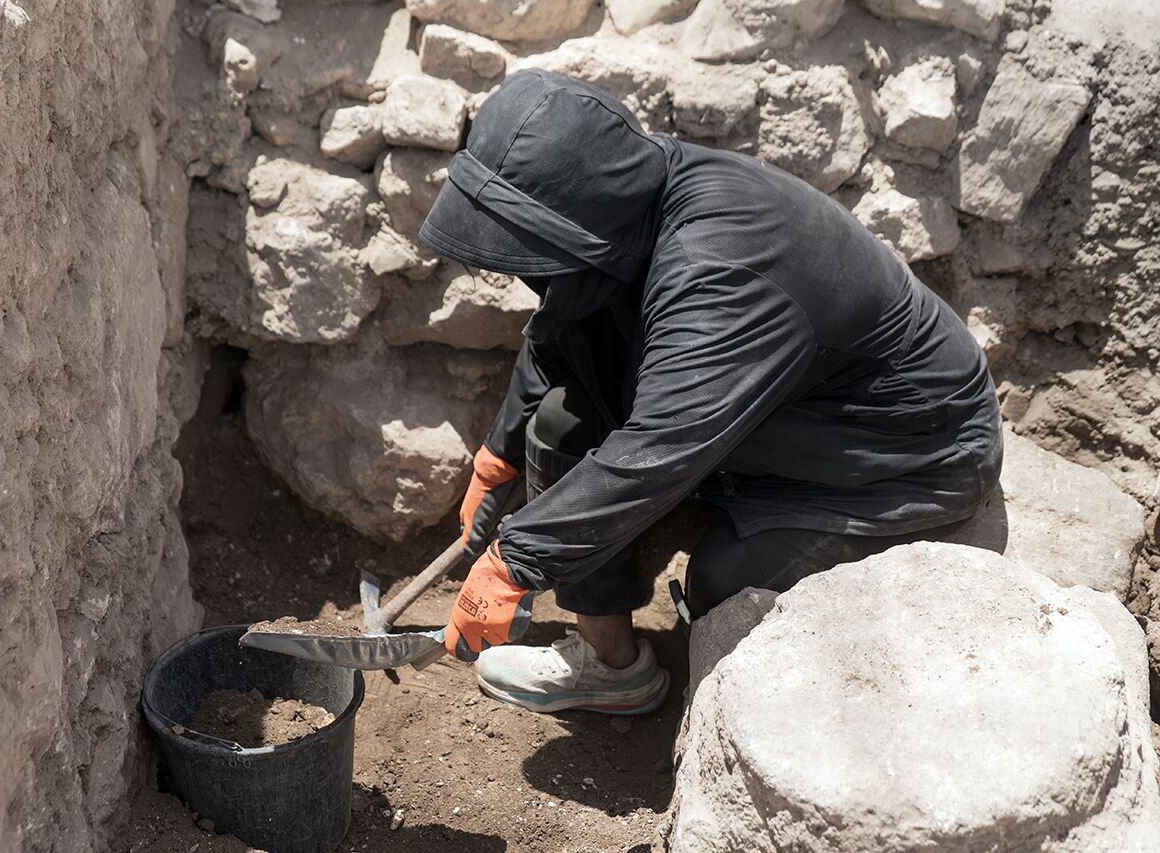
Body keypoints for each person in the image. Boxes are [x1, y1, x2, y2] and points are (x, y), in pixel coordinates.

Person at [418, 69, 1002, 715]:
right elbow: (568, 314)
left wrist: (516, 560)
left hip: (900, 456)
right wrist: (499, 451)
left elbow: (663, 447)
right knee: (562, 427)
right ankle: (611, 666)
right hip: (775, 415)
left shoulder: (717, 270)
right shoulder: (630, 198)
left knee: (723, 585)